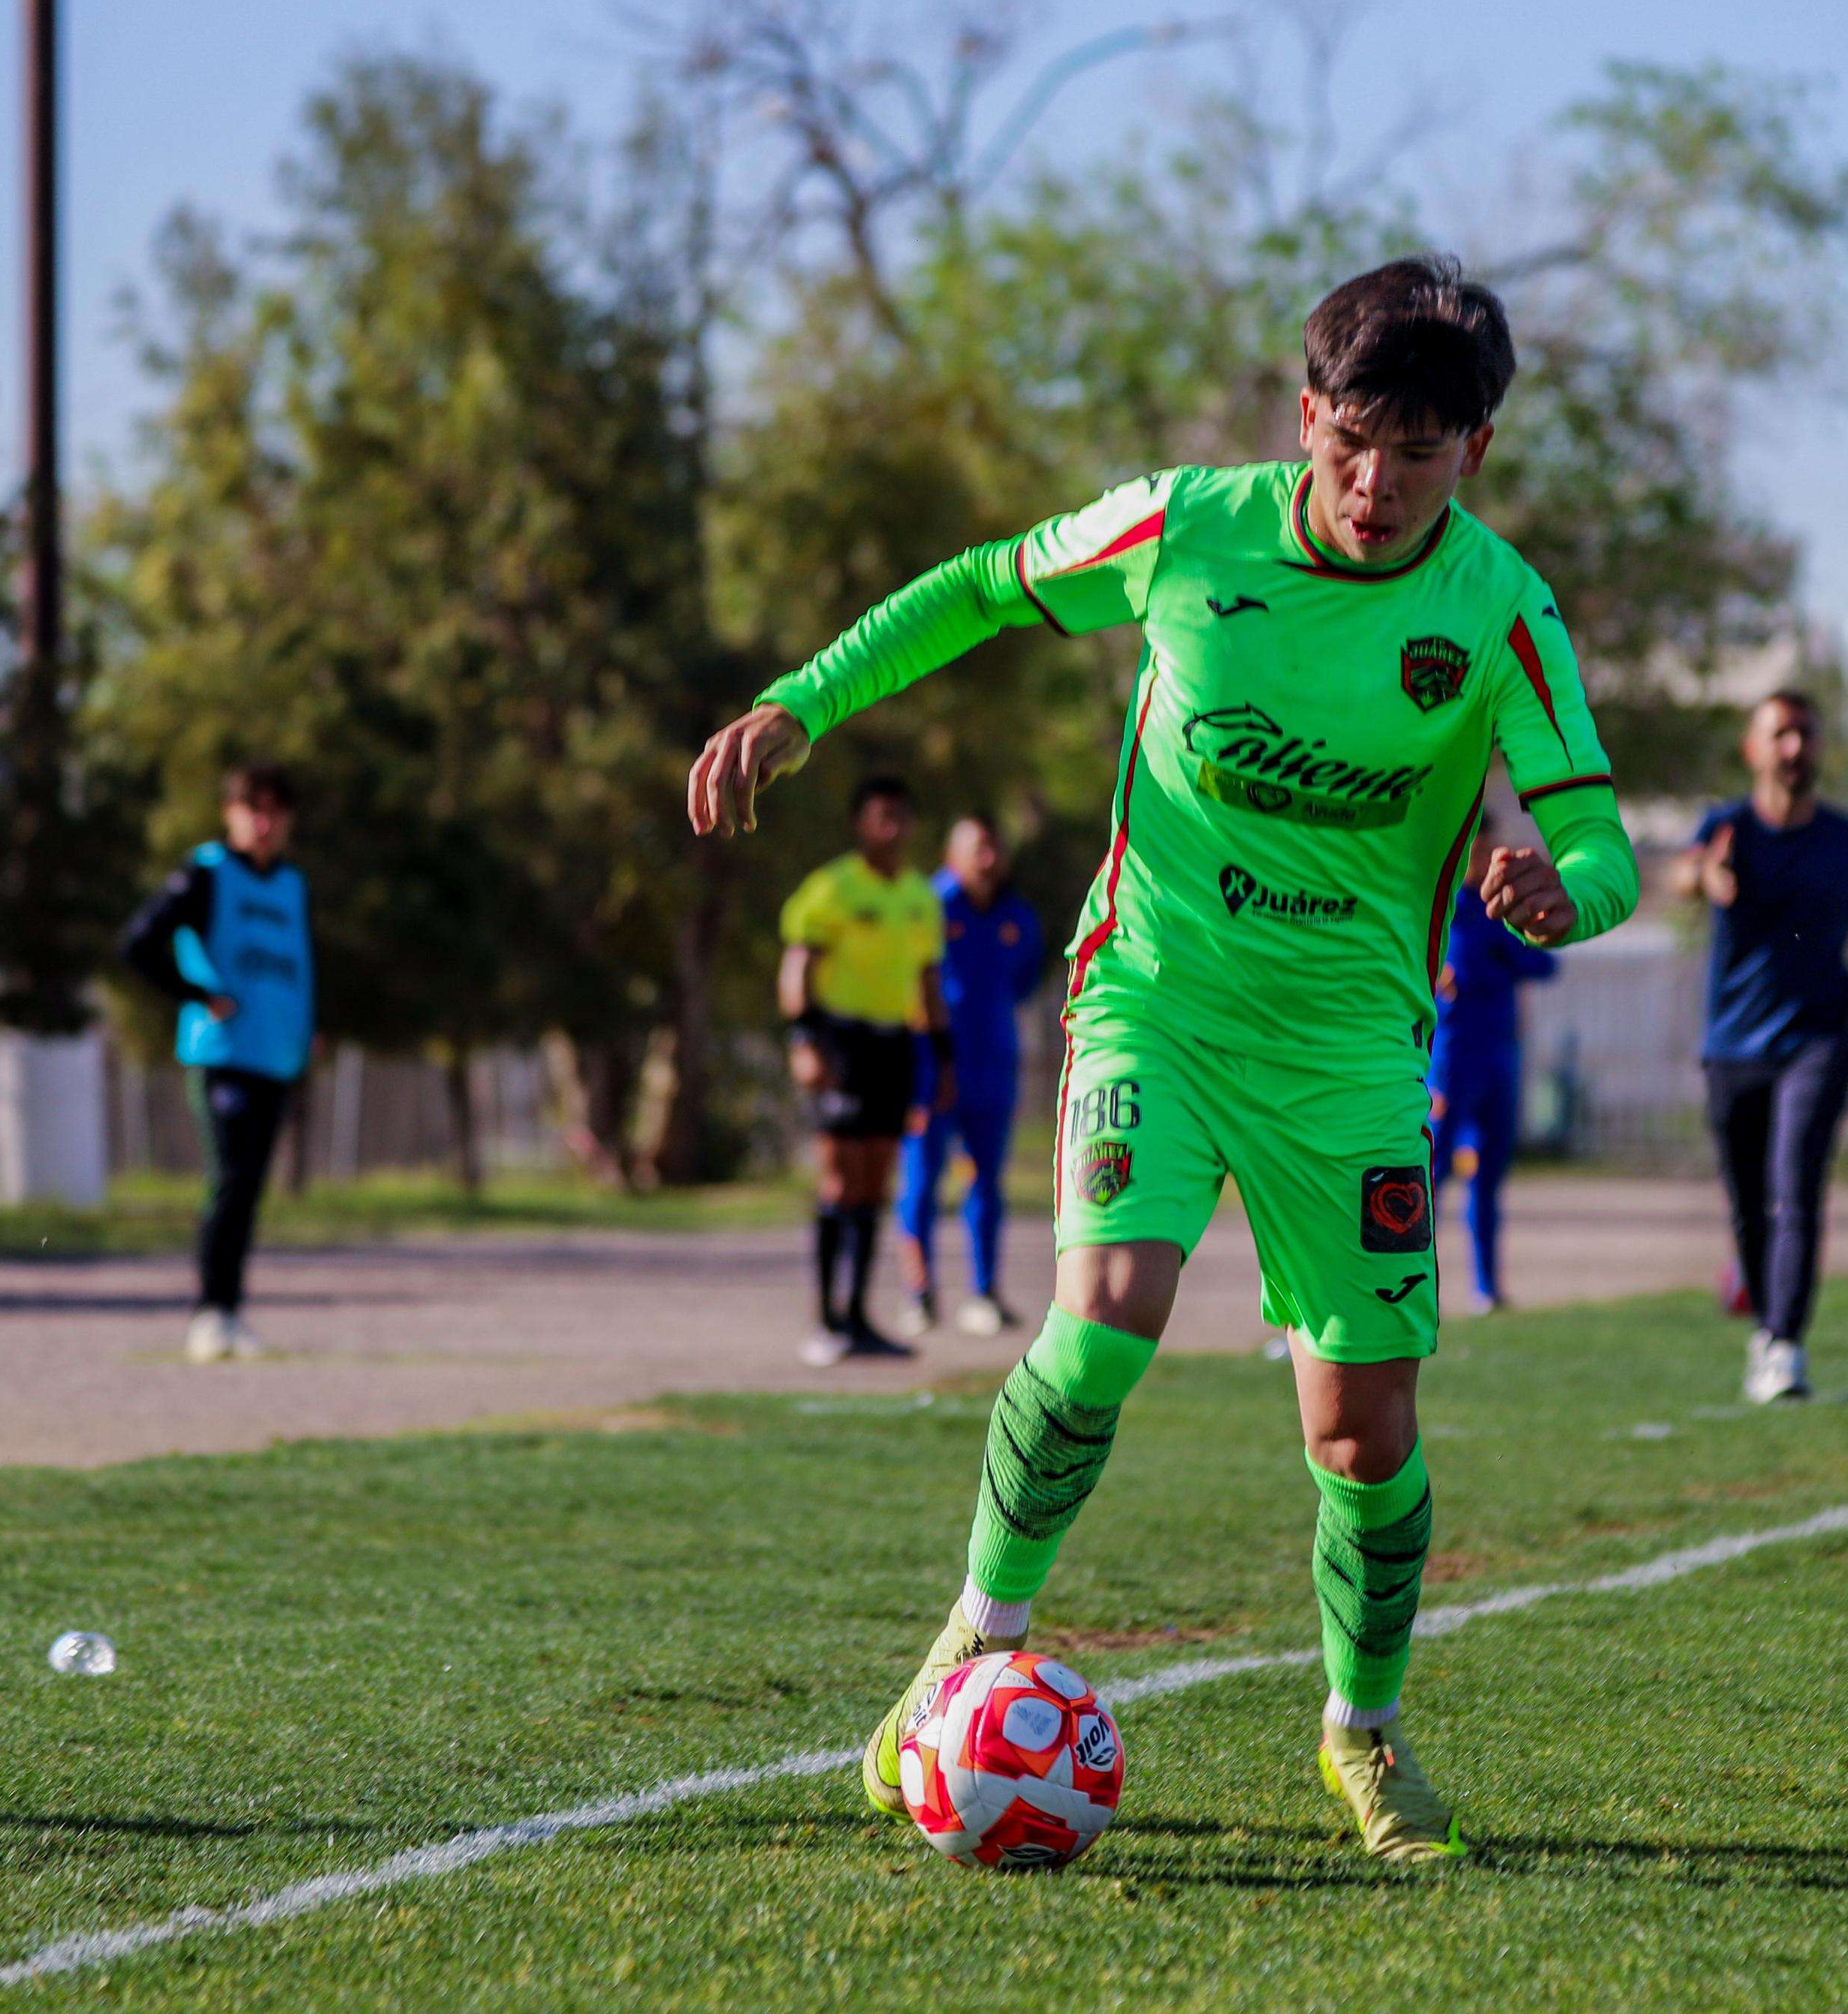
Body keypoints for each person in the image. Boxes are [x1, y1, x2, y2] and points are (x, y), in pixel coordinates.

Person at [688, 255, 1637, 1862]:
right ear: (1306, 414)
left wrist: (1564, 891)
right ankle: (974, 1641)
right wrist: (803, 704)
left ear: (1473, 451)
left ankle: (1364, 1728)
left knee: (1363, 1434)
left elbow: (1599, 840)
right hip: (1154, 998)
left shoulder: (1500, 608)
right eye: (1351, 440)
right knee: (1105, 1321)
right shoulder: (1188, 525)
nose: (1376, 483)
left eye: (1418, 452)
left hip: (1348, 1049)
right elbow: (984, 584)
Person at [1668, 691, 1848, 1405]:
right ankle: (1766, 1329)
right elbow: (1680, 876)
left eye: (1805, 733)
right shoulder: (1727, 828)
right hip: (1733, 1047)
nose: (1795, 747)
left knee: (1796, 1182)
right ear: (1753, 749)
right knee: (1747, 1203)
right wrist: (1705, 877)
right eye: (1781, 735)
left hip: (1819, 1041)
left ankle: (1785, 1344)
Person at [117, 763, 315, 1364]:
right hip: (223, 1053)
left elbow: (296, 965)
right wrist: (199, 995)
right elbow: (138, 944)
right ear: (230, 813)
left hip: (274, 1056)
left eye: (275, 811)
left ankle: (230, 1313)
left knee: (249, 1186)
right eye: (253, 809)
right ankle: (208, 1313)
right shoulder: (207, 873)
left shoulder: (291, 885)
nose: (264, 823)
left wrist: (308, 1027)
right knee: (230, 1181)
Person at [778, 774, 949, 1366]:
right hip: (842, 1043)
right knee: (840, 1178)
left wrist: (943, 1059)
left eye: (901, 817)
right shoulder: (832, 889)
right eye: (882, 817)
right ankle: (826, 1322)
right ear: (861, 824)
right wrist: (805, 1041)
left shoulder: (921, 898)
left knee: (876, 1182)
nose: (893, 828)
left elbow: (929, 985)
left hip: (894, 1047)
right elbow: (797, 969)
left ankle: (859, 1318)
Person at [897, 813, 1046, 1337]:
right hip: (930, 1069)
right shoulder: (926, 906)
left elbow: (1023, 982)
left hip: (993, 1069)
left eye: (995, 848)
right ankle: (919, 1296)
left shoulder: (1019, 919)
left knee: (986, 1181)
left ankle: (984, 1293)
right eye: (978, 848)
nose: (988, 859)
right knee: (922, 1182)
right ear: (951, 855)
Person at [1428, 827, 1561, 1312]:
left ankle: (1486, 1288)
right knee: (1428, 1175)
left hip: (1500, 1058)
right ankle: (1406, 1286)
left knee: (1488, 1176)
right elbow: (1454, 969)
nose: (1483, 861)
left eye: (1488, 851)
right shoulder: (1442, 909)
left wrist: (1509, 948)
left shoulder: (1501, 911)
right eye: (1476, 852)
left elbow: (1544, 966)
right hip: (1451, 1062)